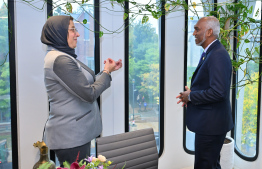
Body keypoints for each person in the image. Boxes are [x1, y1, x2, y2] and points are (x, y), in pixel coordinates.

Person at [41, 15, 122, 166]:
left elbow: (83, 85)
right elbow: (89, 94)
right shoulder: (60, 60)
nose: (77, 34)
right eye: (73, 30)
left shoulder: (62, 56)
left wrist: (108, 71)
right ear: (59, 33)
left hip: (74, 134)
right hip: (71, 137)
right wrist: (106, 73)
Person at [176, 16, 234, 169]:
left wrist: (192, 96)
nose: (194, 33)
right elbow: (213, 86)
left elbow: (218, 92)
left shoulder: (217, 55)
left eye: (197, 29)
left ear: (209, 32)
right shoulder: (211, 52)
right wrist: (192, 93)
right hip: (211, 124)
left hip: (211, 126)